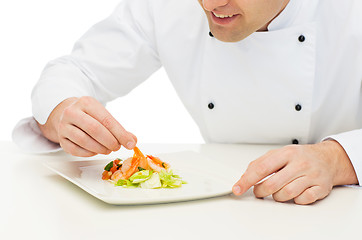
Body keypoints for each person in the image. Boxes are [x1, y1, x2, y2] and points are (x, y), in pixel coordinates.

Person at [13, 0, 362, 205]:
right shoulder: (165, 7)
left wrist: (338, 159)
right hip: (224, 203)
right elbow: (72, 71)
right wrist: (62, 115)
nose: (211, 4)